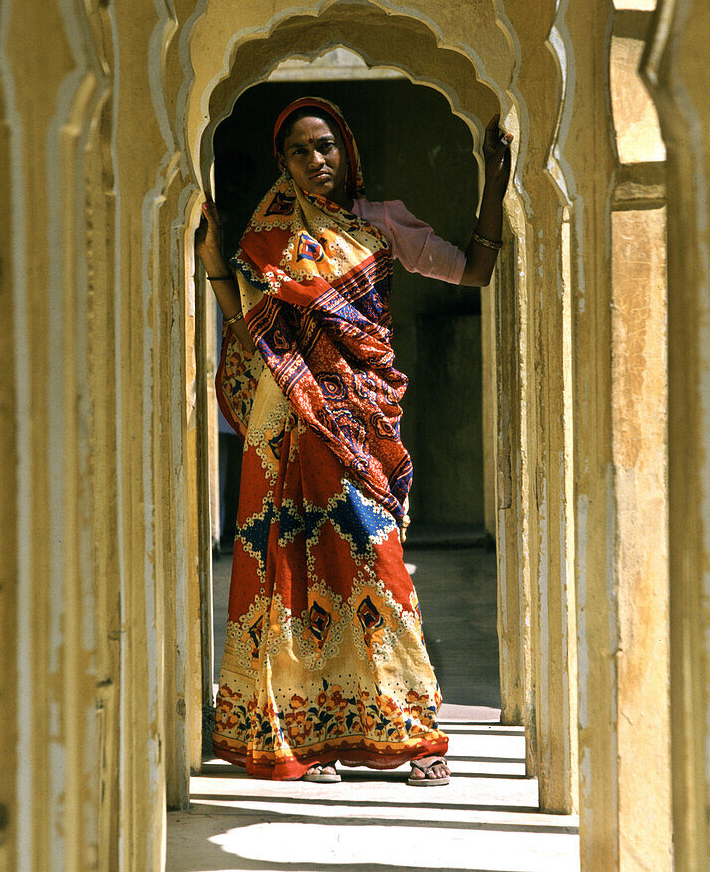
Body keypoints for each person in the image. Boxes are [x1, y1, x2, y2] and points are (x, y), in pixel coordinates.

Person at [195, 96, 512, 784]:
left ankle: (415, 737)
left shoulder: (382, 222)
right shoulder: (270, 236)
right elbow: (252, 329)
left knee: (379, 566)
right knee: (288, 572)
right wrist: (216, 261)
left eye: (328, 147)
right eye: (303, 151)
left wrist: (494, 181)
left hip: (358, 422)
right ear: (283, 162)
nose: (318, 162)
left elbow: (474, 271)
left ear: (348, 150)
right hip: (286, 425)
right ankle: (303, 738)